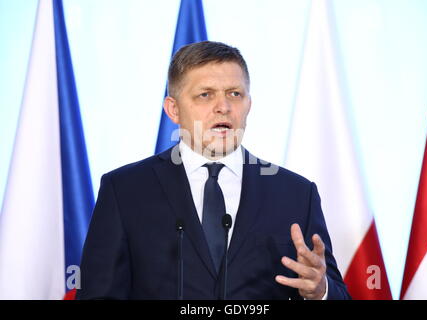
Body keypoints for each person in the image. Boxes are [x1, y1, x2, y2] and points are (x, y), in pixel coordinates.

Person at [77, 41, 351, 300]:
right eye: (205, 95)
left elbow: (336, 290)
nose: (223, 107)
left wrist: (320, 290)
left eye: (235, 94)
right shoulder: (125, 191)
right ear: (173, 109)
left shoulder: (295, 194)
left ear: (249, 105)